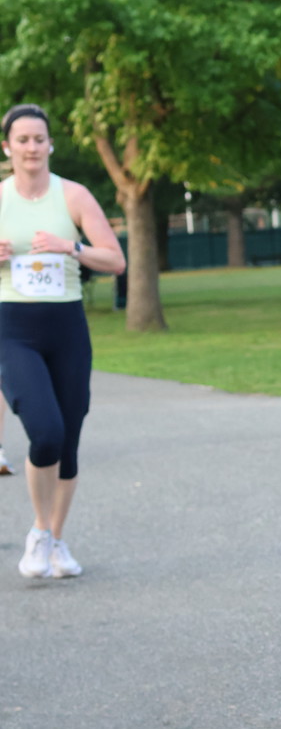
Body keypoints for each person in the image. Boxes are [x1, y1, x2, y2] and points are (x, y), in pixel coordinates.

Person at [0, 103, 126, 578]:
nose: (32, 147)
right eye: (23, 140)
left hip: (67, 328)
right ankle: (39, 531)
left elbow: (115, 260)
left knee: (68, 443)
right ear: (7, 147)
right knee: (46, 432)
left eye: (39, 139)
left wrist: (70, 246)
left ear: (51, 144)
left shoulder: (73, 196)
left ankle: (55, 540)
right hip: (13, 330)